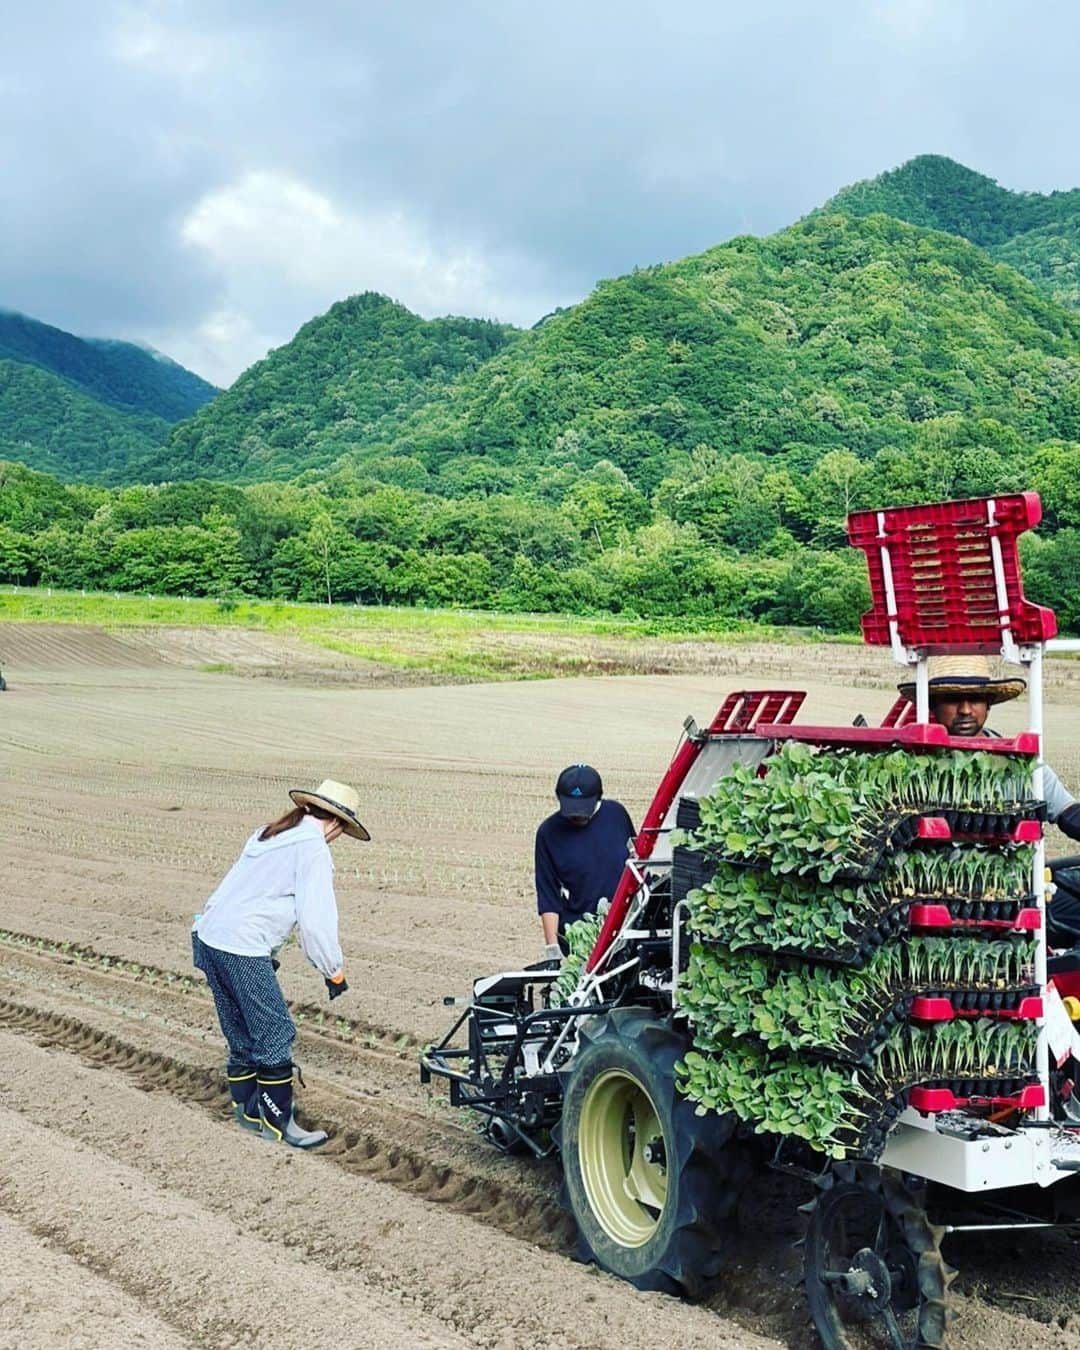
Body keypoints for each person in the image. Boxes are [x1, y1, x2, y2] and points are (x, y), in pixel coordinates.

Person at [192, 778, 370, 1149]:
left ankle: (247, 1110)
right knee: (274, 1032)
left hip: (208, 935)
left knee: (239, 1027)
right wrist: (333, 971)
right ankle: (280, 1124)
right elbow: (316, 921)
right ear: (336, 823)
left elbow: (239, 889)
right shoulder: (313, 848)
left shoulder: (269, 833)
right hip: (240, 946)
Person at [898, 655, 1080, 840]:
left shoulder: (1020, 763)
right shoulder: (913, 766)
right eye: (952, 699)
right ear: (933, 706)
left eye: (975, 699)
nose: (965, 710)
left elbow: (1068, 812)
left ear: (988, 704)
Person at [535, 764, 636, 958]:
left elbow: (636, 862)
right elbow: (548, 895)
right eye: (572, 810)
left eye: (584, 809)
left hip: (626, 927)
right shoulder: (548, 833)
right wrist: (552, 949)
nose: (578, 816)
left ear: (598, 797)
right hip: (581, 936)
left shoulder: (616, 814)